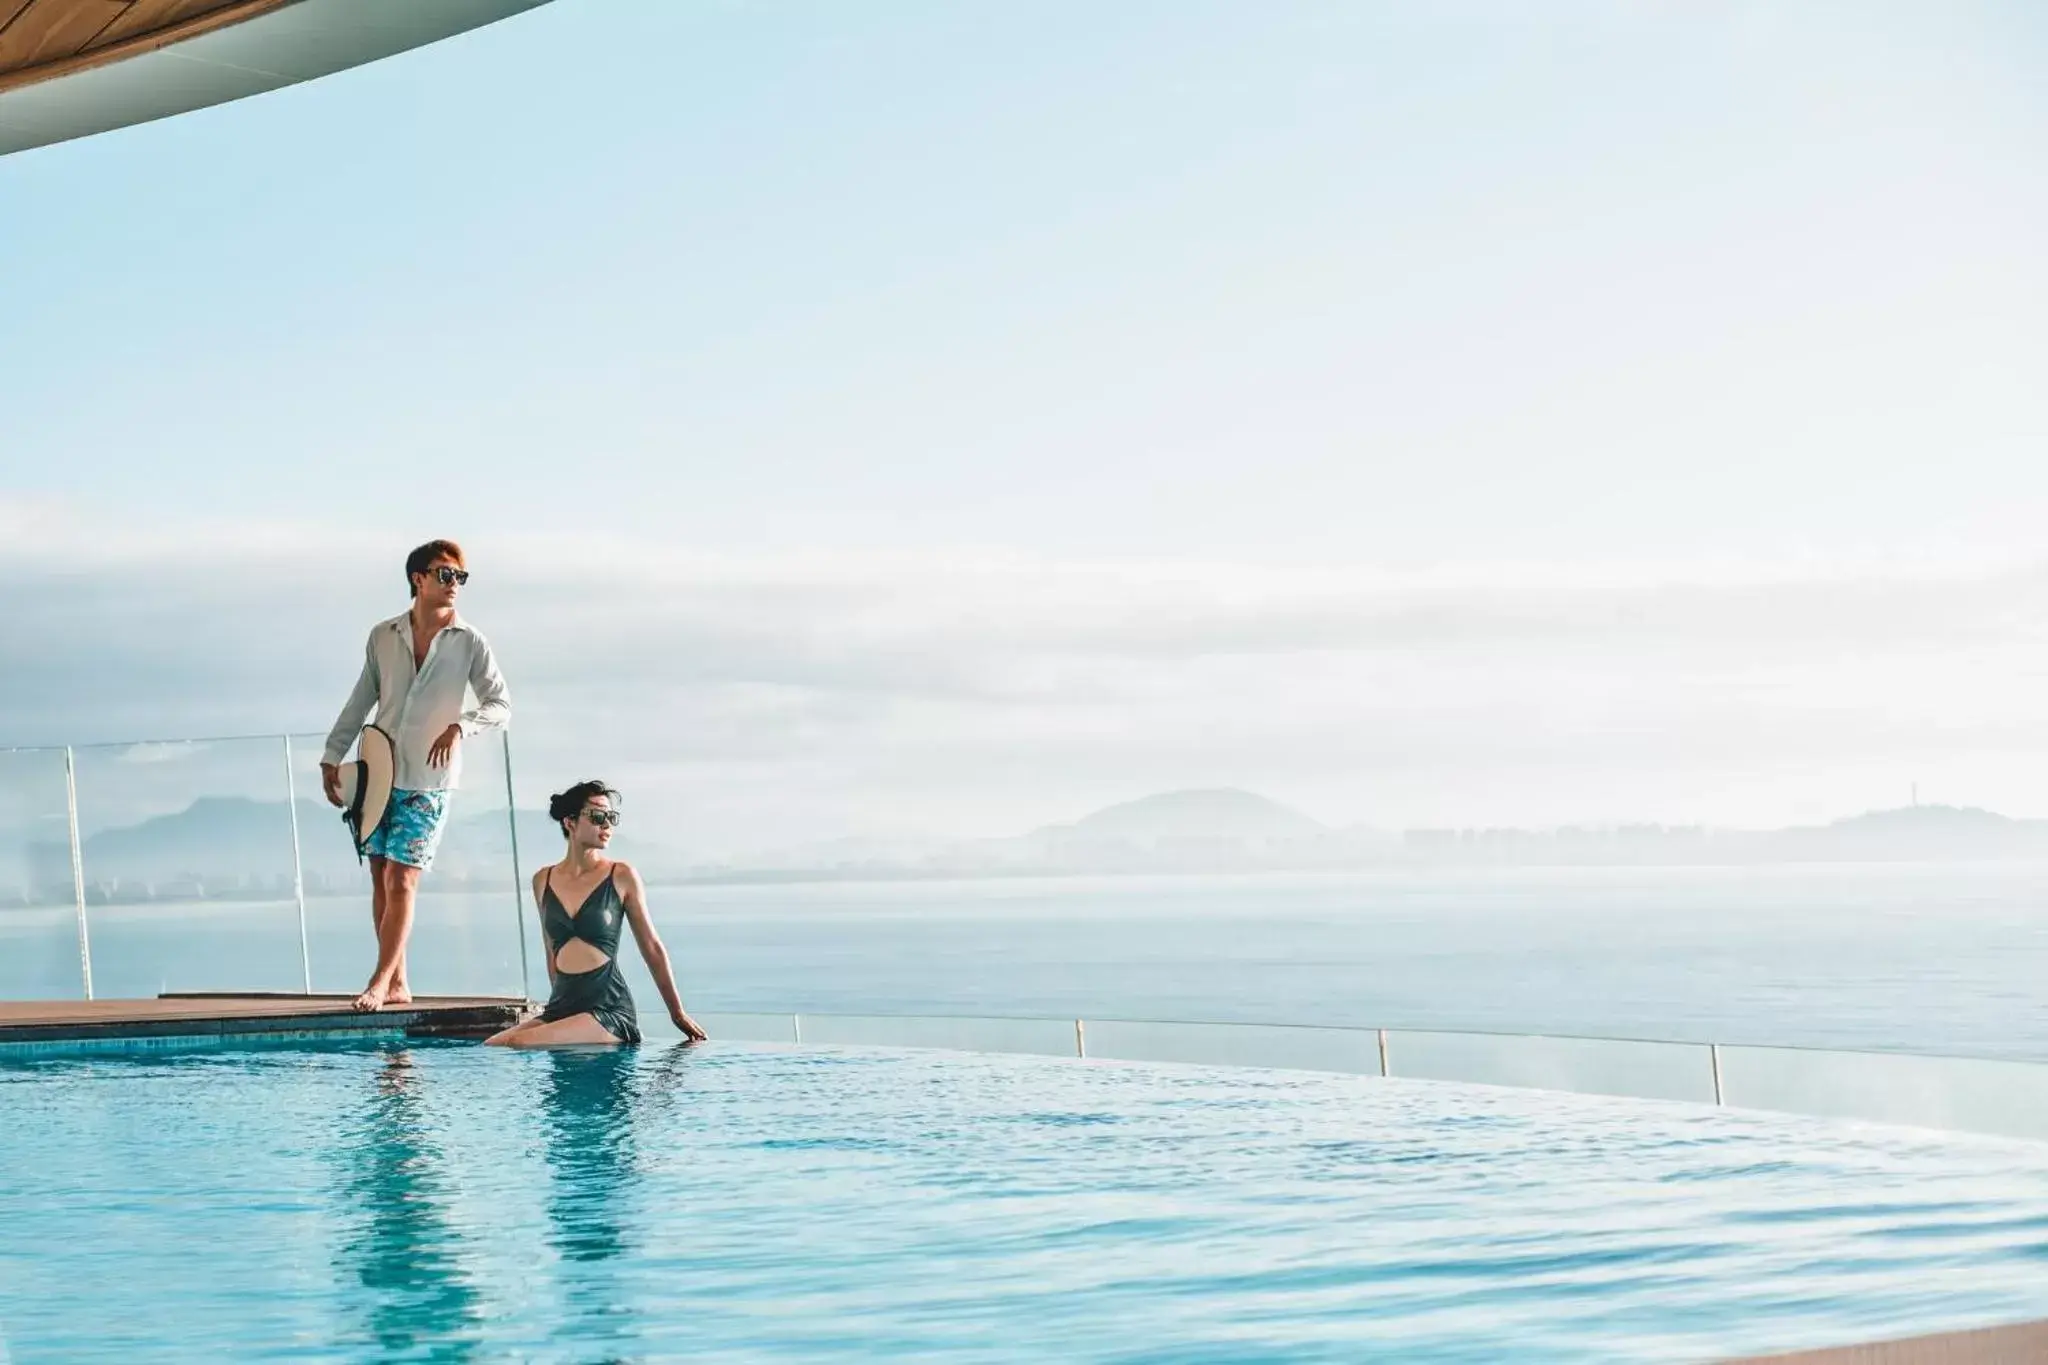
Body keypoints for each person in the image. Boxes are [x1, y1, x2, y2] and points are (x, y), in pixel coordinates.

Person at [320, 539, 511, 1012]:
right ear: (418, 579)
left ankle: (379, 981)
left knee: (404, 880)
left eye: (460, 578)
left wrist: (461, 725)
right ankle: (399, 981)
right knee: (382, 877)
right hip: (378, 774)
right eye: (445, 575)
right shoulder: (383, 635)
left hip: (429, 780)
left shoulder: (470, 642)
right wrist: (332, 754)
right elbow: (361, 697)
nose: (454, 586)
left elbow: (501, 705)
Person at [487, 781, 708, 1048]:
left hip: (608, 1010)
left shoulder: (621, 875)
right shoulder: (542, 880)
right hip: (563, 1007)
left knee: (520, 1043)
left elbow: (651, 947)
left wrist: (677, 1013)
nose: (607, 825)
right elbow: (551, 951)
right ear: (570, 822)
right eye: (597, 816)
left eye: (611, 817)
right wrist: (559, 1013)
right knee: (494, 1045)